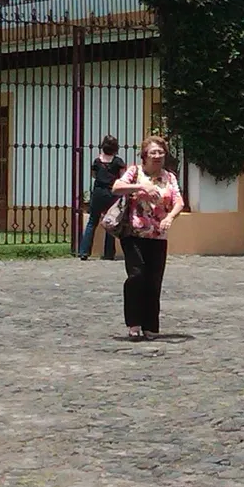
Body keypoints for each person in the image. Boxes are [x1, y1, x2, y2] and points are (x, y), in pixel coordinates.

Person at [111, 135, 184, 340]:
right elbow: (116, 187)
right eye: (153, 152)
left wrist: (170, 217)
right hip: (134, 233)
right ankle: (134, 324)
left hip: (158, 235)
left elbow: (179, 201)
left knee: (154, 280)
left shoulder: (169, 177)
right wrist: (141, 187)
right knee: (137, 276)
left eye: (161, 152)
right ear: (145, 155)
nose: (158, 156)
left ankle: (150, 325)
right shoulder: (135, 172)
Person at [78, 135, 127, 260]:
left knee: (92, 221)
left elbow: (93, 174)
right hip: (112, 192)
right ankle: (109, 253)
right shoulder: (118, 161)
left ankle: (84, 251)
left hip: (98, 192)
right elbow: (123, 177)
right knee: (110, 221)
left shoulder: (97, 161)